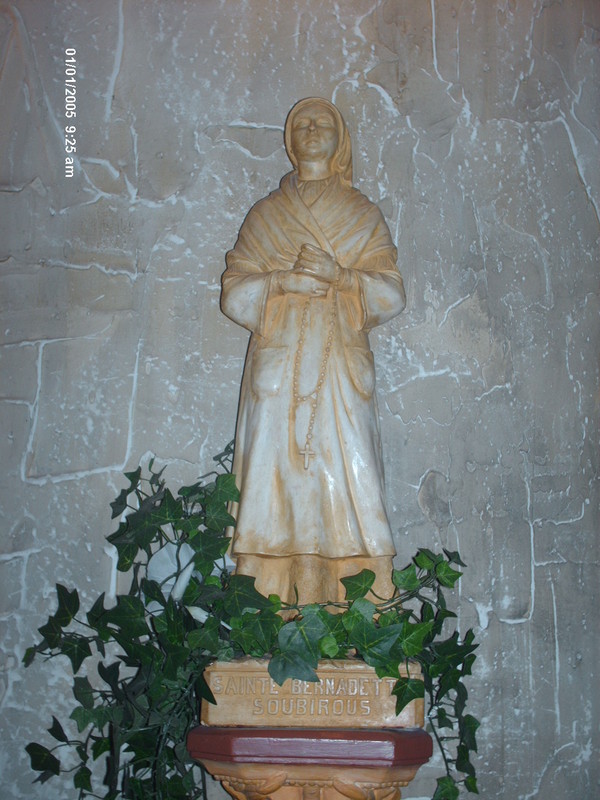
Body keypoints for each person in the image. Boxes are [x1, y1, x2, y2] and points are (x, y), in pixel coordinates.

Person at [221, 97, 406, 604]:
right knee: (274, 481)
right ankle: (269, 600)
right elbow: (235, 292)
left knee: (351, 477)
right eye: (301, 122)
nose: (311, 129)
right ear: (289, 140)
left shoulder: (362, 214)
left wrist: (341, 276)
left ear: (340, 138)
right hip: (278, 371)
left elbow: (391, 293)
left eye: (322, 123)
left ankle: (360, 604)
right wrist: (280, 282)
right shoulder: (265, 217)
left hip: (339, 373)